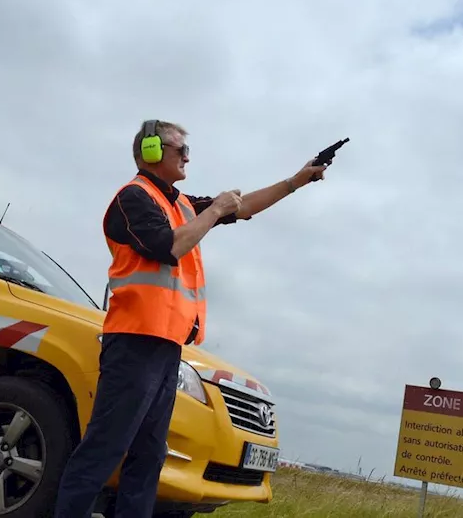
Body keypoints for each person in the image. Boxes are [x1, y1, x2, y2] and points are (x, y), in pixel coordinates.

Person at [52, 119, 330, 518]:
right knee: (105, 447)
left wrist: (296, 181)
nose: (187, 155)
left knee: (149, 456)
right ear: (150, 152)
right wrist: (215, 208)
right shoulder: (134, 199)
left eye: (187, 149)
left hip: (166, 348)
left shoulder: (180, 204)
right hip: (133, 343)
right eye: (178, 148)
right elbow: (170, 247)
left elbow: (244, 206)